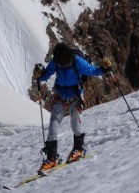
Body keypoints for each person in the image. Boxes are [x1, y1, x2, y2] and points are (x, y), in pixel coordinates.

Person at [32, 43, 114, 173]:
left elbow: (91, 70)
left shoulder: (76, 60)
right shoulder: (57, 60)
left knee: (75, 123)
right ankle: (52, 157)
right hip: (61, 94)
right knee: (53, 126)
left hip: (74, 94)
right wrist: (39, 74)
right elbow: (46, 74)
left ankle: (77, 149)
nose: (61, 63)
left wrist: (105, 69)